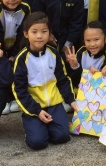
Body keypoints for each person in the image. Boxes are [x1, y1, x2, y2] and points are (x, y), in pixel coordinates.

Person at [12, 12, 78, 150]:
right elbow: (19, 90)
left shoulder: (54, 54)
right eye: (34, 32)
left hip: (54, 104)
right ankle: (32, 128)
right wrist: (37, 111)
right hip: (34, 107)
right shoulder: (22, 59)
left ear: (49, 33)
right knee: (37, 142)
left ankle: (45, 127)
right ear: (26, 34)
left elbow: (63, 80)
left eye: (44, 31)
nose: (39, 36)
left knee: (62, 136)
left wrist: (72, 101)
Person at [64, 20, 106, 88]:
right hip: (80, 90)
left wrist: (99, 73)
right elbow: (75, 79)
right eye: (88, 40)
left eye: (96, 39)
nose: (92, 44)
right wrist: (75, 66)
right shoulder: (81, 52)